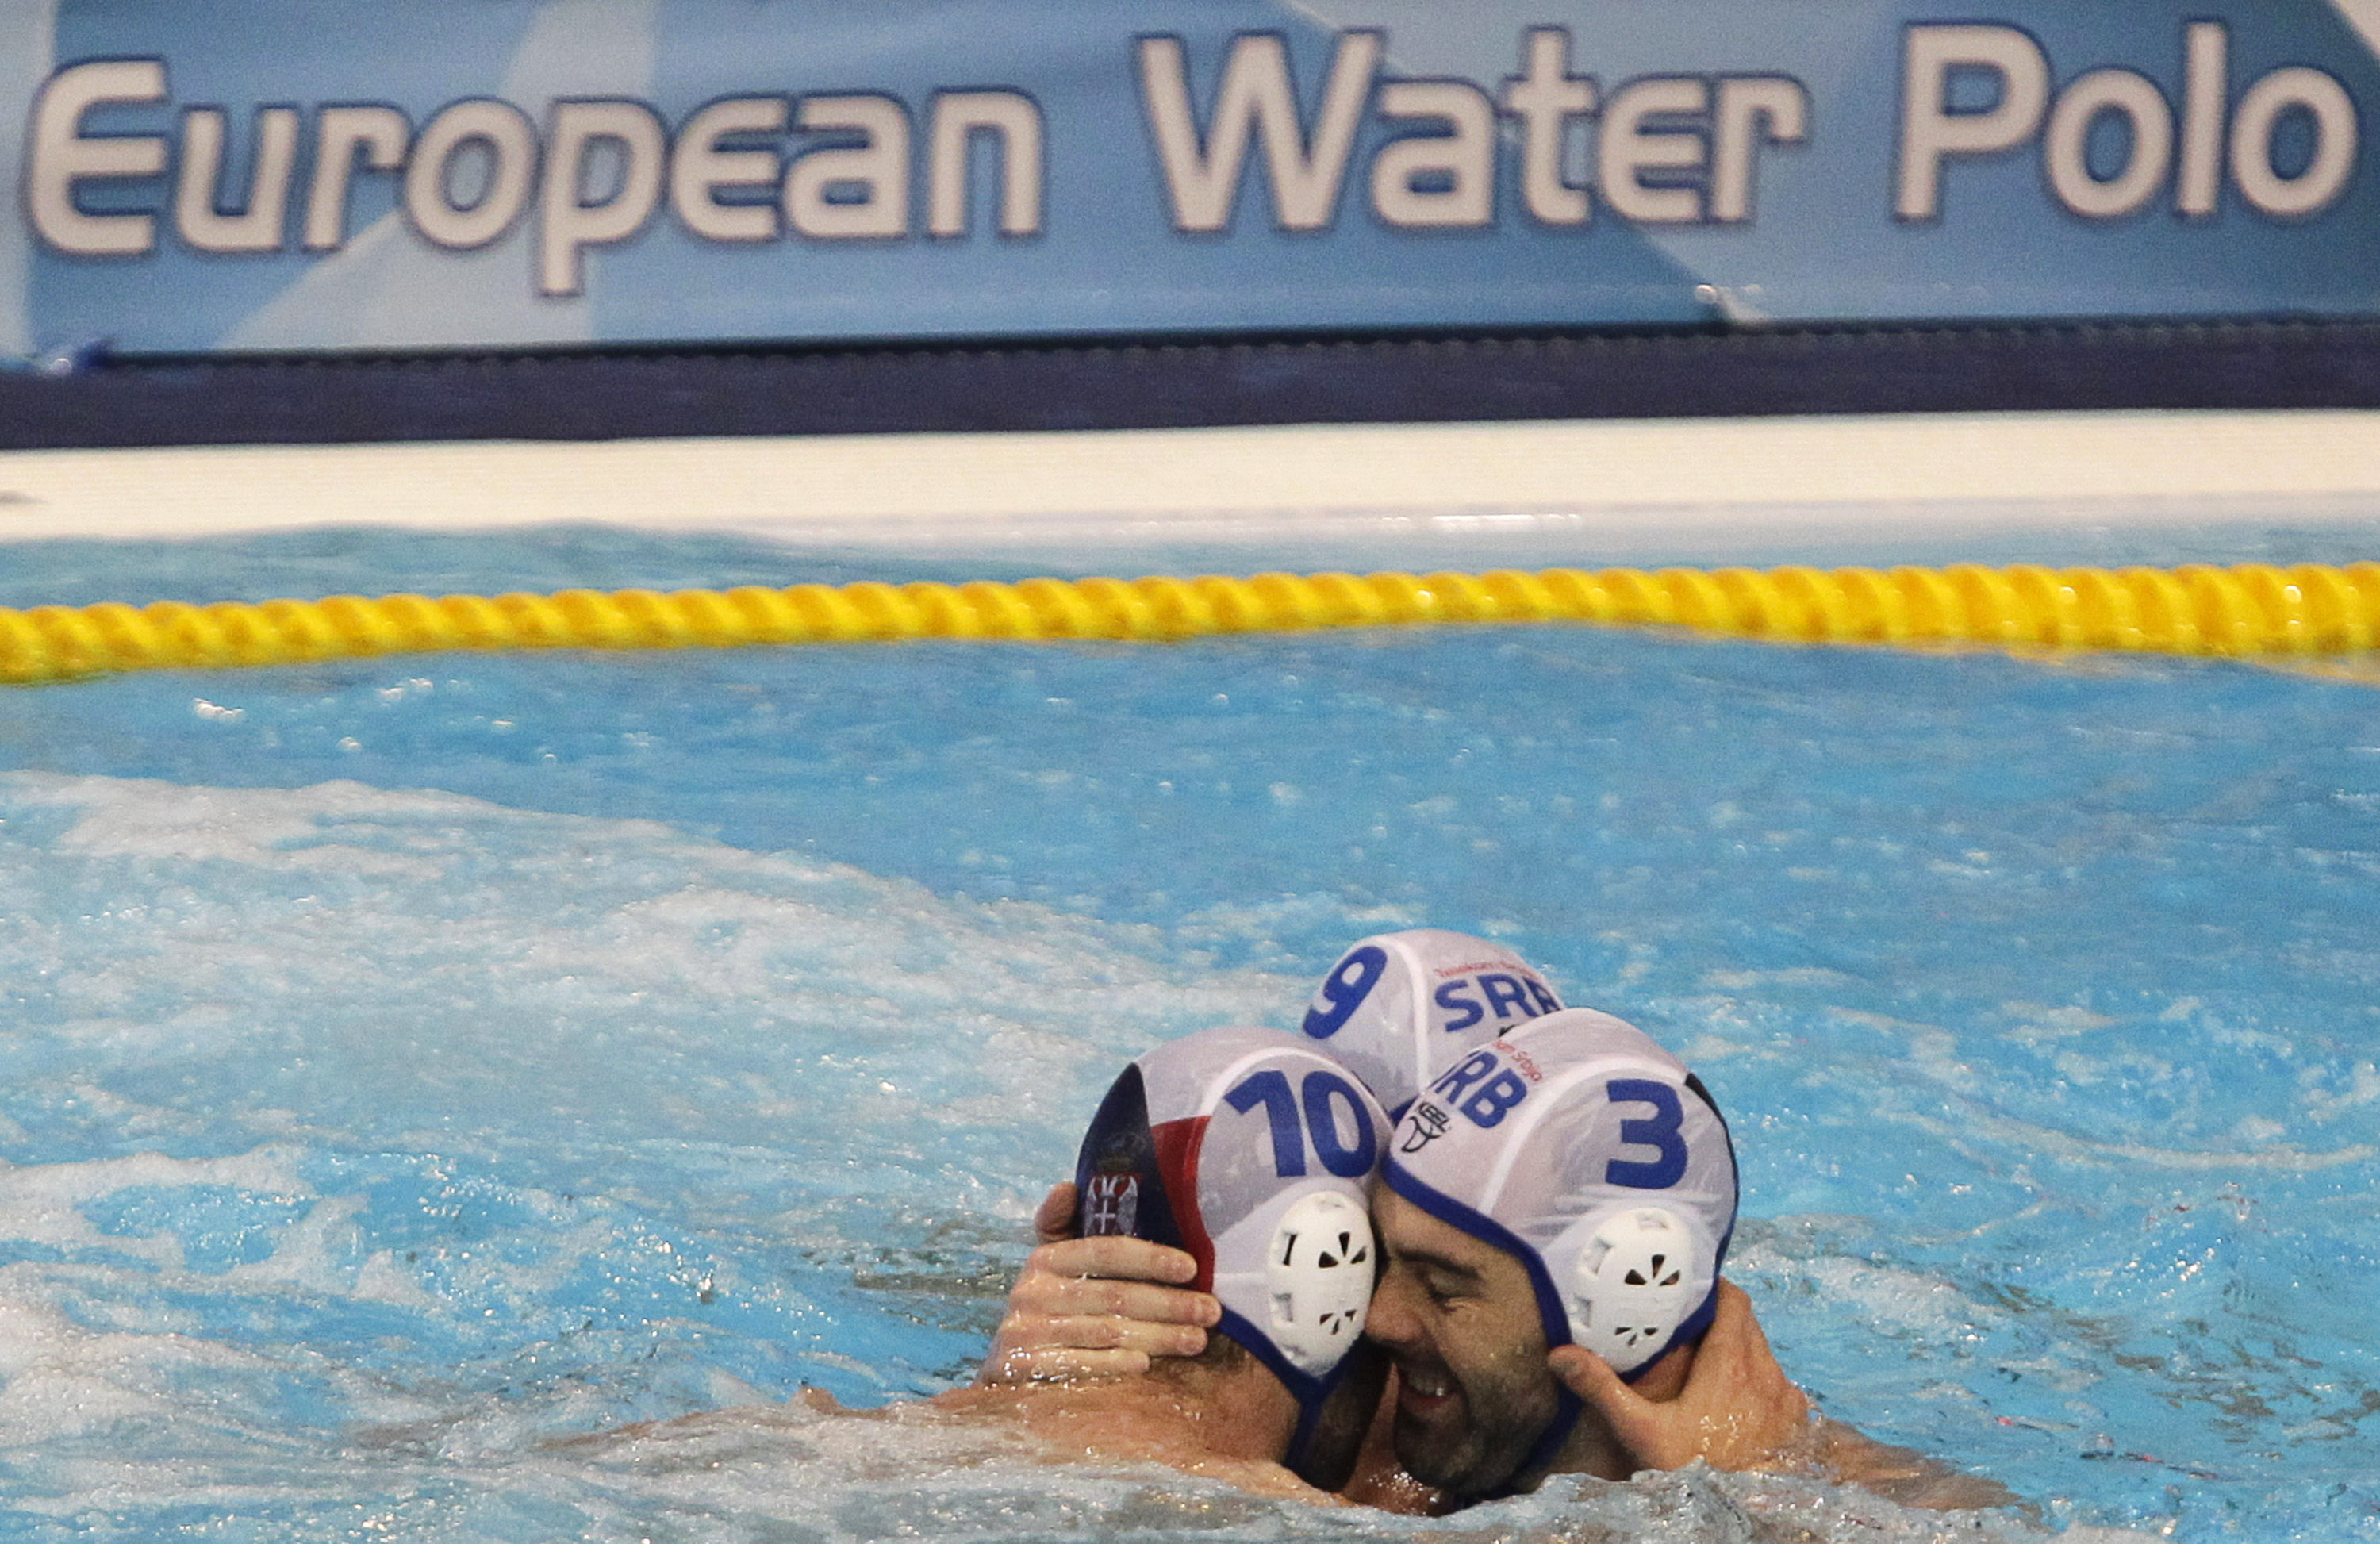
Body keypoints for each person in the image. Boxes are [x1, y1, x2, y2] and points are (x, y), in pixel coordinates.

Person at [942, 1024, 1395, 1500]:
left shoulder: (904, 1443)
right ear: (1331, 1281)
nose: (1399, 1320)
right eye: (1412, 1273)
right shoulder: (1272, 1519)